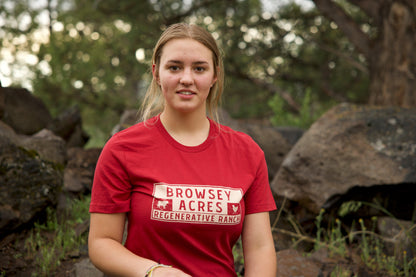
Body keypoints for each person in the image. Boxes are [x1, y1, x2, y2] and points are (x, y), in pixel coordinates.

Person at [88, 22, 277, 277]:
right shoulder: (122, 149)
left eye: (199, 68)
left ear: (214, 76)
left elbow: (260, 247)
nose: (186, 79)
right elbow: (101, 243)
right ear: (156, 73)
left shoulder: (247, 152)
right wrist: (155, 272)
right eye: (174, 67)